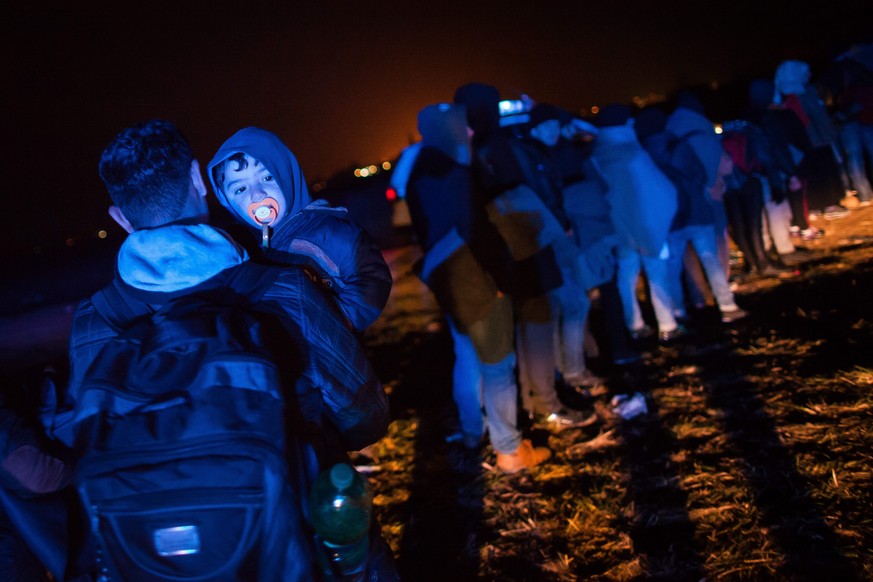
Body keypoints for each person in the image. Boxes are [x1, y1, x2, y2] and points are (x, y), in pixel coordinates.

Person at [65, 119, 397, 580]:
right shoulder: (280, 288)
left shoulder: (93, 321)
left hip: (150, 555)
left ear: (120, 219)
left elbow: (77, 440)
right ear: (202, 182)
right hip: (295, 542)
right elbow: (365, 414)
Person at [405, 102, 551, 470]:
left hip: (446, 278)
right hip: (474, 278)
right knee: (498, 365)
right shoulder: (455, 172)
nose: (470, 133)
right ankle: (510, 450)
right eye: (462, 127)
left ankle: (474, 431)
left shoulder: (419, 172)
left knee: (467, 358)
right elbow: (476, 231)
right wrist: (501, 280)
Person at [454, 83, 591, 434]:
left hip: (506, 247)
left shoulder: (462, 149)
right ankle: (547, 403)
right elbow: (516, 192)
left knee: (525, 326)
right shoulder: (492, 146)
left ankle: (536, 402)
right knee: (538, 321)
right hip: (522, 241)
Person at [207, 127, 393, 334]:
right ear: (227, 202)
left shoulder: (328, 231)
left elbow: (373, 276)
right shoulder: (247, 251)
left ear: (287, 175)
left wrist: (340, 322)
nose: (257, 195)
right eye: (240, 189)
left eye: (267, 178)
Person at [634, 105, 747, 324]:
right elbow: (700, 174)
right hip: (697, 212)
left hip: (670, 219)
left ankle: (678, 310)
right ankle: (727, 305)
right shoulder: (679, 145)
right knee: (710, 260)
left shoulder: (643, 156)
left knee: (674, 267)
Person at [590, 103, 681, 343]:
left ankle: (634, 323)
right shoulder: (633, 152)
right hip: (647, 225)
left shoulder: (598, 153)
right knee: (656, 273)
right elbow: (658, 189)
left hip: (618, 227)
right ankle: (667, 322)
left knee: (626, 277)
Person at [774, 59, 850, 220]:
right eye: (805, 72)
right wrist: (830, 133)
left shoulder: (782, 95)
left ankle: (817, 205)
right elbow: (817, 117)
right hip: (815, 140)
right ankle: (828, 204)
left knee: (815, 173)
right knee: (823, 172)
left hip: (804, 142)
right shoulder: (802, 93)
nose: (809, 74)